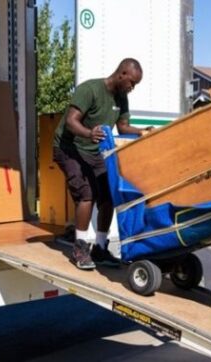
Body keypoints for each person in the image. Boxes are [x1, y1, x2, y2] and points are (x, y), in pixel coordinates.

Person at [53, 58, 150, 270]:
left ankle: (100, 248)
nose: (132, 88)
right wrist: (89, 133)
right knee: (87, 193)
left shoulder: (122, 97)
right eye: (132, 83)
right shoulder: (90, 89)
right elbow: (70, 121)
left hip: (93, 151)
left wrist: (144, 131)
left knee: (107, 195)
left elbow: (123, 127)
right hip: (68, 148)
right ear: (122, 73)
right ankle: (79, 247)